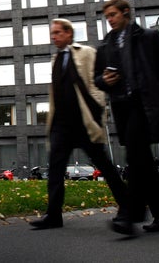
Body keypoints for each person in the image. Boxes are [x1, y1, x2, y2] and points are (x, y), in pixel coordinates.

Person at [30, 19, 130, 232]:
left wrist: (97, 113)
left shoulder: (86, 52)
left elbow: (97, 84)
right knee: (55, 169)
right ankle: (53, 215)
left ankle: (127, 205)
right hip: (61, 124)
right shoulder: (55, 58)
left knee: (104, 165)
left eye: (57, 32)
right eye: (52, 33)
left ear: (68, 33)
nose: (53, 36)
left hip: (83, 121)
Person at [94, 0, 159, 233]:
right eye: (107, 16)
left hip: (145, 106)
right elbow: (97, 78)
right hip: (124, 108)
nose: (110, 20)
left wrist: (158, 98)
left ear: (126, 12)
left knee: (135, 157)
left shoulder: (149, 37)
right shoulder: (106, 45)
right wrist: (105, 80)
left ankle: (129, 213)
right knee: (144, 164)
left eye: (113, 14)